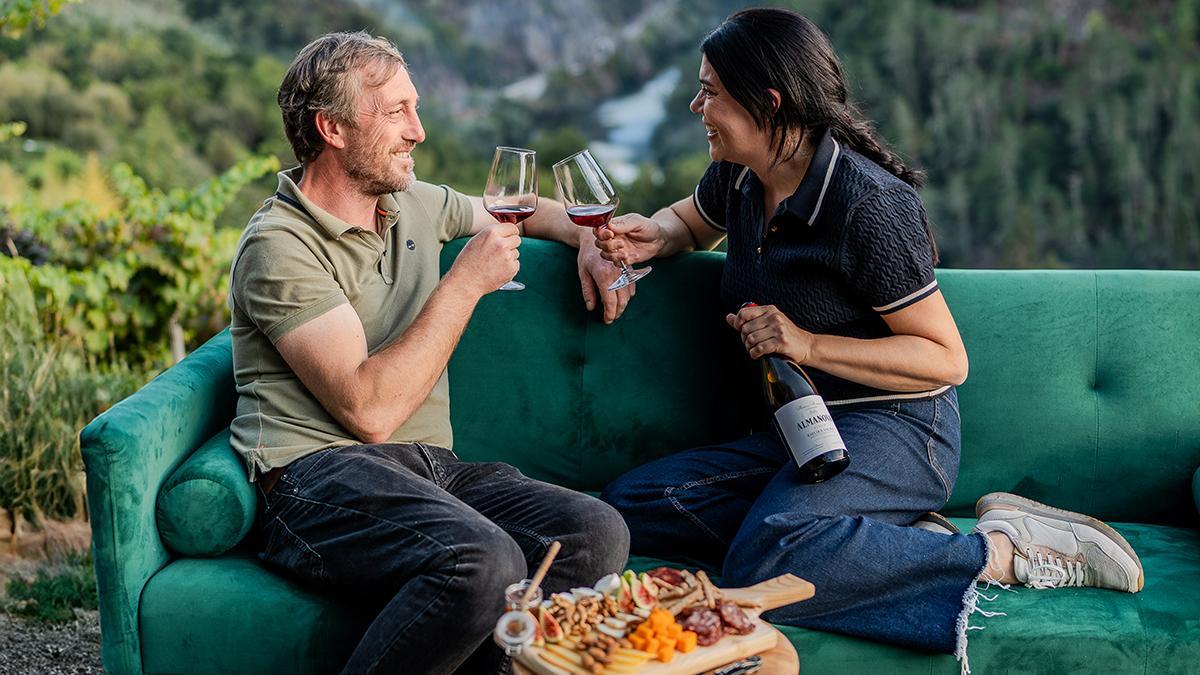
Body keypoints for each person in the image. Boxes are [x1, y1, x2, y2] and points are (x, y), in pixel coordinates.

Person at [596, 8, 1142, 670]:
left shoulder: (867, 205)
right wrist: (657, 232)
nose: (695, 104)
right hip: (798, 431)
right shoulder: (744, 172)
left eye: (710, 90)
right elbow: (692, 220)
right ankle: (865, 539)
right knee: (635, 505)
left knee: (768, 557)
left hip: (899, 428)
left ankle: (1001, 550)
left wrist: (806, 343)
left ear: (768, 103)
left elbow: (946, 359)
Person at [227, 32, 630, 674]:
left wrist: (583, 238)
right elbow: (370, 411)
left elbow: (520, 213)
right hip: (317, 479)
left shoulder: (412, 202)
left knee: (593, 533)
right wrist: (465, 281)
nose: (418, 130)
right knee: (485, 559)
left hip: (429, 469)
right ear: (331, 127)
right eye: (396, 111)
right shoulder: (280, 246)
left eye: (416, 108)